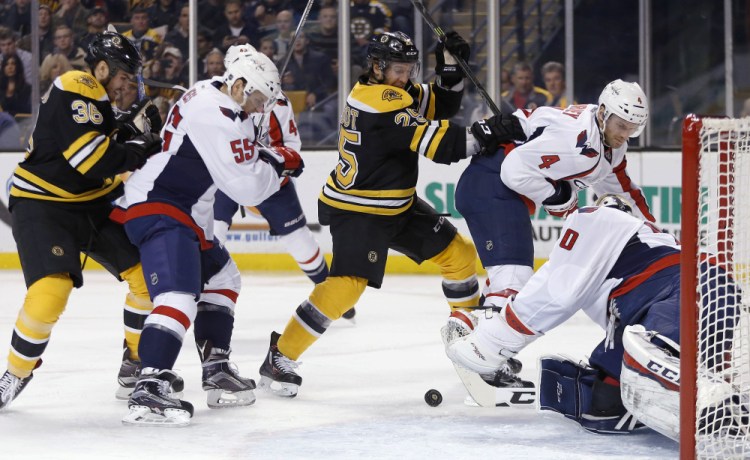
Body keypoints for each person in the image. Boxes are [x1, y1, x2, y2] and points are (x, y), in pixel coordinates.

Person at [257, 30, 502, 397]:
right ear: (377, 66)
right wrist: (489, 132)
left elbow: (441, 105)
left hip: (396, 204)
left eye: (409, 69)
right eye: (398, 69)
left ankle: (472, 346)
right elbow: (443, 145)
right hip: (358, 209)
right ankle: (280, 357)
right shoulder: (382, 103)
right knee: (345, 289)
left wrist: (450, 67)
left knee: (460, 256)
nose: (405, 77)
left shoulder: (391, 92)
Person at [111, 50, 303, 426]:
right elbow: (247, 187)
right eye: (260, 98)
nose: (262, 108)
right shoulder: (215, 113)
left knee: (223, 278)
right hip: (160, 207)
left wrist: (257, 149)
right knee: (178, 295)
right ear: (239, 84)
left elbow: (238, 157)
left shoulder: (219, 101)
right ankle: (149, 384)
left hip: (185, 213)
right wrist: (277, 161)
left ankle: (215, 367)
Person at [446, 195, 740, 439]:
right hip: (639, 310)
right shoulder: (618, 249)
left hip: (691, 286)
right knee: (605, 407)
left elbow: (558, 290)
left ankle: (696, 390)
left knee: (643, 373)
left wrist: (492, 340)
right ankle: (694, 388)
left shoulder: (603, 219)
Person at [0, 31, 164, 410]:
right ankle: (16, 371)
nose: (129, 84)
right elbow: (91, 160)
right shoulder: (77, 83)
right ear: (102, 68)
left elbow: (102, 159)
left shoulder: (99, 104)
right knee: (51, 292)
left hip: (88, 205)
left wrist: (128, 133)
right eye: (125, 75)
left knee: (146, 275)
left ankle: (134, 361)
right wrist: (141, 145)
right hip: (42, 204)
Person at [453, 80, 655, 337]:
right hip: (492, 186)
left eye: (633, 129)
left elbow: (624, 192)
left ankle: (466, 329)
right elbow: (514, 170)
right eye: (622, 126)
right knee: (513, 278)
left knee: (506, 279)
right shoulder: (578, 145)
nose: (625, 135)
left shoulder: (603, 136)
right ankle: (481, 354)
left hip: (497, 190)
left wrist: (656, 234)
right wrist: (559, 197)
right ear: (603, 112)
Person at [214, 44, 332, 292]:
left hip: (269, 180)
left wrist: (270, 159)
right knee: (212, 233)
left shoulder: (276, 103)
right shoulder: (216, 99)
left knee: (300, 240)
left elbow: (292, 146)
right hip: (227, 178)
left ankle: (328, 289)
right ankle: (203, 287)